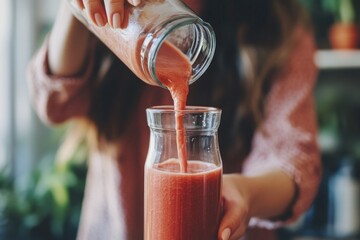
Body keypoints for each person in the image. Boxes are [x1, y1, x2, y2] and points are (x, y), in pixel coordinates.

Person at [27, 0, 322, 239]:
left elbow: (293, 160)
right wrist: (75, 8)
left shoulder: (279, 27)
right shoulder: (124, 15)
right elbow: (54, 103)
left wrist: (245, 194)